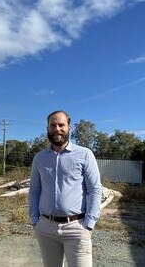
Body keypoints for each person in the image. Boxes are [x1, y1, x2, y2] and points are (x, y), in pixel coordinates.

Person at [28, 110, 102, 267]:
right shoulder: (39, 158)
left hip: (76, 228)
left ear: (70, 127)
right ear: (47, 128)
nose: (57, 129)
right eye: (53, 125)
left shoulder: (84, 154)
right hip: (46, 228)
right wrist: (35, 220)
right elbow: (34, 190)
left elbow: (94, 189)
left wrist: (89, 223)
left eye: (61, 125)